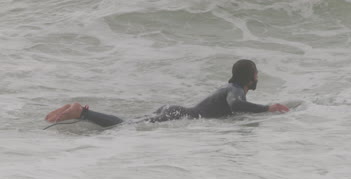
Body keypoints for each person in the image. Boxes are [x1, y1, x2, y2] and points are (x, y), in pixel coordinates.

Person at [45, 59, 289, 128]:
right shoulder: (235, 91)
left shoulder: (230, 88)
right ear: (250, 76)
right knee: (125, 126)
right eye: (256, 73)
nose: (258, 77)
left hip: (175, 111)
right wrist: (268, 108)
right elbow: (236, 106)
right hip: (179, 114)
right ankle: (82, 112)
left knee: (129, 124)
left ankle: (82, 113)